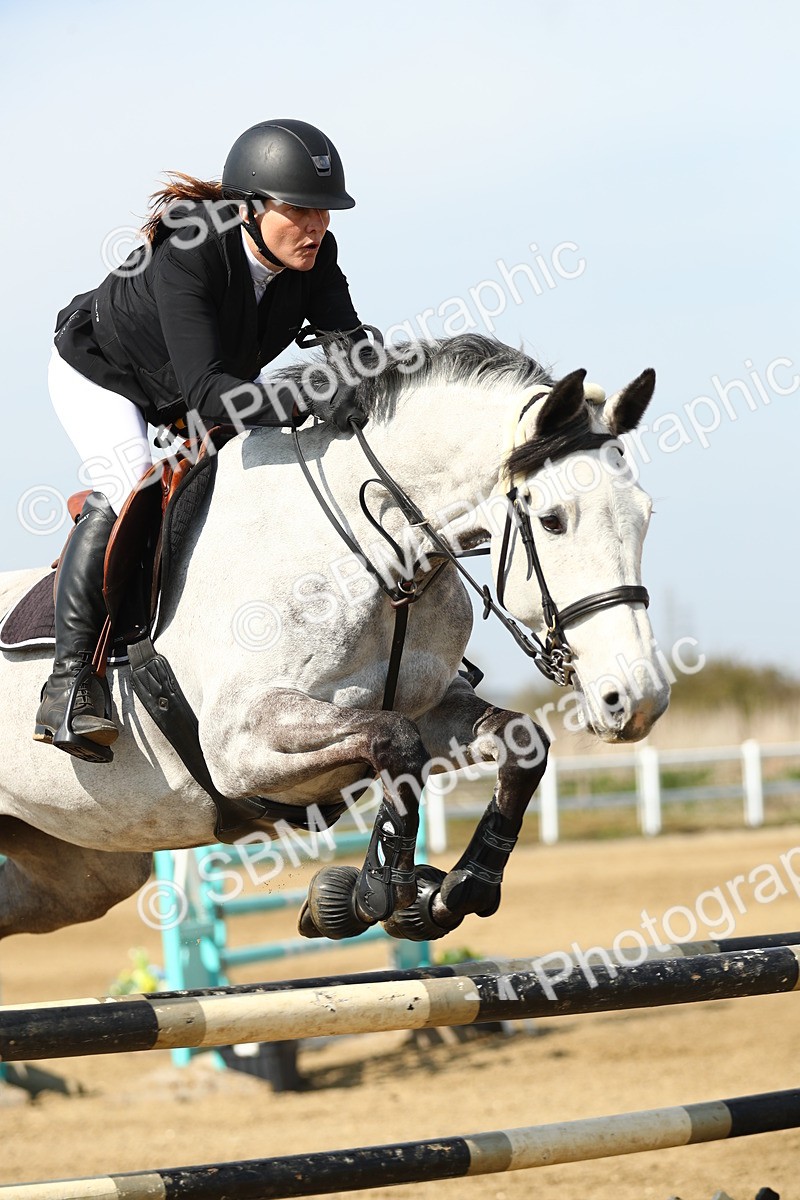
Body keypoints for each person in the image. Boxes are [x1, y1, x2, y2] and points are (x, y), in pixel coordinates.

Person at [34, 118, 369, 762]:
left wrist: (370, 373)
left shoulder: (316, 257)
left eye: (324, 212)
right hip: (103, 372)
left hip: (191, 388)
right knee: (131, 481)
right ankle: (69, 683)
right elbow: (211, 393)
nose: (315, 226)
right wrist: (307, 395)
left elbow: (348, 345)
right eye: (298, 209)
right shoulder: (192, 249)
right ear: (248, 208)